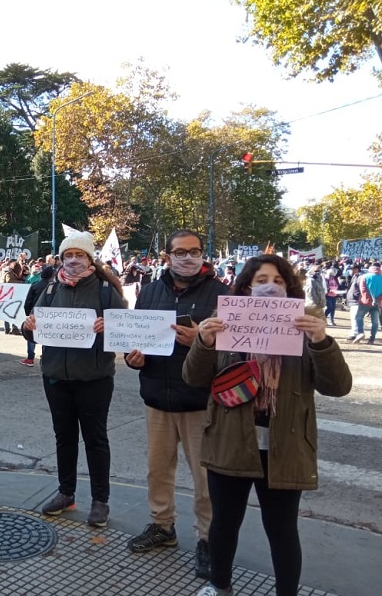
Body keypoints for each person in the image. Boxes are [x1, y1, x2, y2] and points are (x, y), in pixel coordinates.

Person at [183, 254, 352, 596]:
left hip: (284, 445)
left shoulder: (306, 327)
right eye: (261, 281)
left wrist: (321, 343)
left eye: (278, 280)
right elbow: (194, 378)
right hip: (231, 441)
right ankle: (219, 584)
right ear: (246, 288)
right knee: (224, 522)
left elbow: (338, 386)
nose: (270, 287)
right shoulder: (225, 323)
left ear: (290, 288)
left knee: (282, 529)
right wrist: (205, 342)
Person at [124, 229, 230, 580]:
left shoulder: (222, 294)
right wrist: (134, 359)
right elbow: (136, 339)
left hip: (201, 401)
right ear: (167, 257)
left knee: (205, 478)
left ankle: (208, 539)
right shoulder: (150, 291)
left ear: (203, 255)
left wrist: (202, 340)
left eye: (194, 251)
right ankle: (162, 525)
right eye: (180, 252)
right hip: (157, 396)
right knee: (158, 470)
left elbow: (236, 350)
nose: (188, 258)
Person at [22, 231, 127, 527]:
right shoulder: (51, 288)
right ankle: (66, 493)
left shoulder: (105, 289)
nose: (73, 260)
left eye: (79, 255)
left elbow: (125, 330)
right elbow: (34, 330)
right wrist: (29, 326)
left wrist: (109, 326)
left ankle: (100, 501)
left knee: (95, 439)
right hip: (56, 376)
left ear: (89, 258)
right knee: (64, 437)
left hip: (95, 377)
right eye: (68, 255)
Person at [20, 266, 54, 367]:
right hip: (49, 315)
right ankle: (45, 356)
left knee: (31, 336)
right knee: (47, 337)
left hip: (34, 314)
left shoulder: (35, 285)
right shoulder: (54, 287)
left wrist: (28, 314)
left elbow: (28, 301)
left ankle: (30, 358)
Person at [355, 262, 381, 345]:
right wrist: (377, 300)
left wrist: (369, 299)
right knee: (375, 322)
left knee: (359, 317)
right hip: (378, 303)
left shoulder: (364, 277)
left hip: (365, 302)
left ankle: (361, 332)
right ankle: (372, 339)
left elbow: (363, 290)